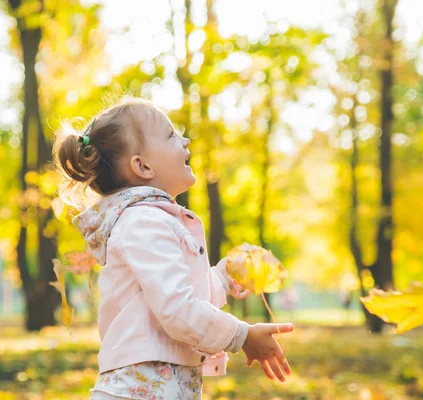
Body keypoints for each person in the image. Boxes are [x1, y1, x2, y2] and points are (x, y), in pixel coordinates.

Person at [53, 98, 293, 399]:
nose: (185, 139)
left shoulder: (151, 221)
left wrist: (221, 278)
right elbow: (178, 311)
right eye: (170, 136)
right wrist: (242, 335)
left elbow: (174, 300)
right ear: (142, 166)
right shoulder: (143, 223)